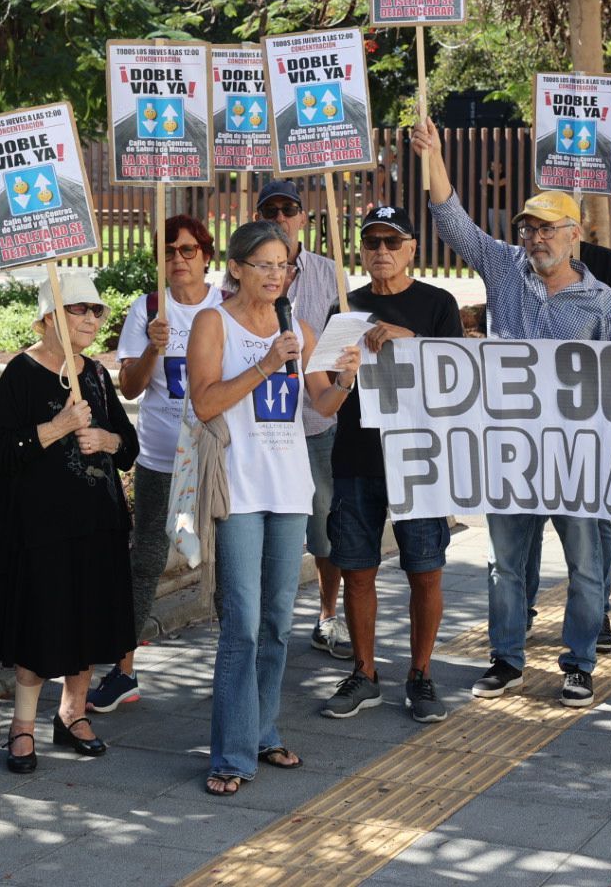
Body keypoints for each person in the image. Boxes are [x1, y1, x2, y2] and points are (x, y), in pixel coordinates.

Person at [417, 117, 611, 709]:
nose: (533, 238)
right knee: (506, 566)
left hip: (574, 456)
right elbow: (452, 220)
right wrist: (434, 155)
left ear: (574, 234)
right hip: (509, 451)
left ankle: (579, 663)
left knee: (585, 568)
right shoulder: (505, 268)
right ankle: (506, 659)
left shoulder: (600, 300)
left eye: (545, 228)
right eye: (526, 228)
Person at [187, 221, 360, 796]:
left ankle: (262, 731)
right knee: (240, 623)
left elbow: (322, 405)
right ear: (235, 267)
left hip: (288, 490)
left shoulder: (298, 328)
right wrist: (265, 364)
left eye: (284, 265)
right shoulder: (213, 322)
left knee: (278, 624)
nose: (275, 275)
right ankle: (231, 756)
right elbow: (207, 401)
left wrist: (343, 379)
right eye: (263, 264)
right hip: (239, 489)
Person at [0, 276, 139, 772]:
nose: (93, 319)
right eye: (80, 310)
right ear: (50, 317)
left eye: (99, 311)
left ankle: (72, 714)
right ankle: (22, 726)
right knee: (41, 622)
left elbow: (129, 445)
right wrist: (57, 429)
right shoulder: (20, 374)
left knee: (89, 618)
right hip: (40, 526)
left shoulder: (94, 373)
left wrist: (106, 441)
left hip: (97, 520)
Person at [318, 206, 463, 725]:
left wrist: (407, 340)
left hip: (419, 457)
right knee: (357, 570)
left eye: (392, 241)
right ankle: (364, 673)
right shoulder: (344, 306)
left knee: (425, 571)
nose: (381, 250)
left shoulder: (437, 303)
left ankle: (420, 675)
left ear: (412, 249)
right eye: (372, 241)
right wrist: (341, 373)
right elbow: (324, 391)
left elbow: (459, 378)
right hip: (357, 456)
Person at [86, 216, 223, 714]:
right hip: (161, 454)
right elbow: (130, 387)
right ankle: (122, 670)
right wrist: (152, 347)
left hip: (215, 455)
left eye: (189, 250)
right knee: (143, 560)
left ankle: (235, 666)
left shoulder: (225, 305)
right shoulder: (147, 309)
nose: (179, 259)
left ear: (207, 256)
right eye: (169, 251)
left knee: (226, 558)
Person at [522, 239, 611, 650]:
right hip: (526, 434)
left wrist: (591, 305)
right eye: (534, 225)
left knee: (590, 537)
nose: (541, 235)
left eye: (551, 226)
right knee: (524, 528)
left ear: (573, 230)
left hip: (580, 437)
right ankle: (520, 612)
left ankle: (597, 617)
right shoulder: (517, 268)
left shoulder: (604, 265)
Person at [250, 179, 351, 660]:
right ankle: (259, 626)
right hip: (260, 431)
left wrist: (341, 379)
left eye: (288, 208)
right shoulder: (241, 277)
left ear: (304, 217)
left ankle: (328, 615)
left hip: (313, 422)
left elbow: (339, 341)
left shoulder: (330, 274)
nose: (280, 217)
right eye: (269, 209)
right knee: (266, 532)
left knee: (326, 530)